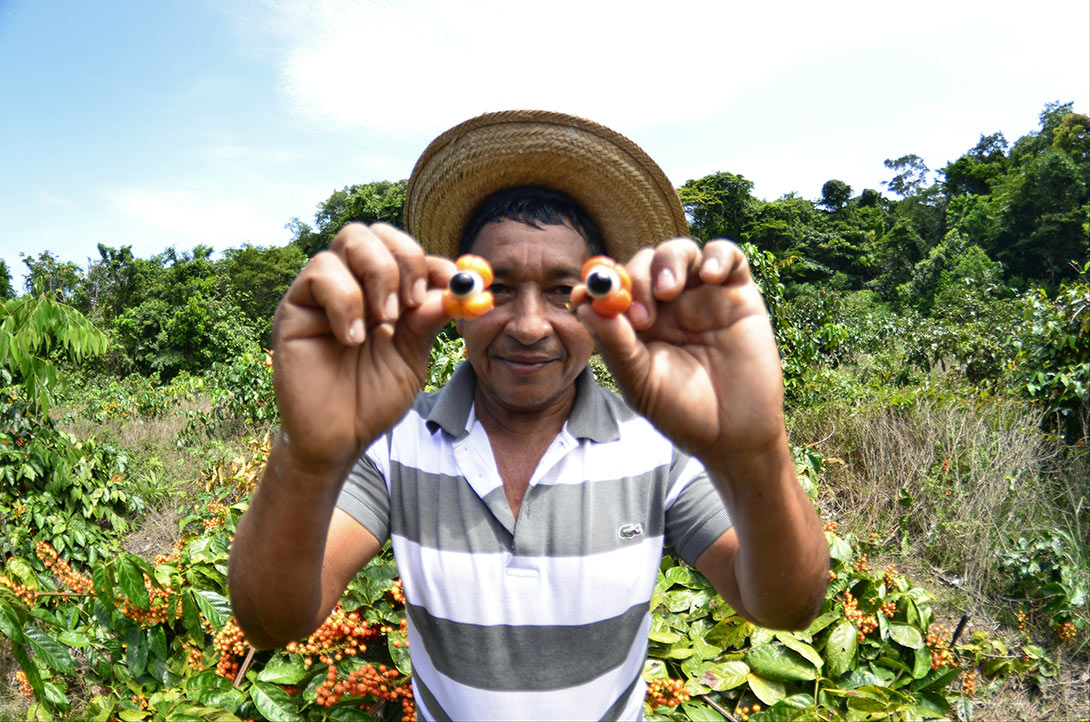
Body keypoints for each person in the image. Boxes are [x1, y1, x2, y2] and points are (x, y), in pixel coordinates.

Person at [228, 110, 829, 720]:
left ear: (606, 306)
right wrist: (304, 458)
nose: (531, 325)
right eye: (501, 288)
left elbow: (784, 605)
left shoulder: (657, 445)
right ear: (456, 303)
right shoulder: (394, 442)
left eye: (566, 291)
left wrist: (757, 451)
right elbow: (271, 620)